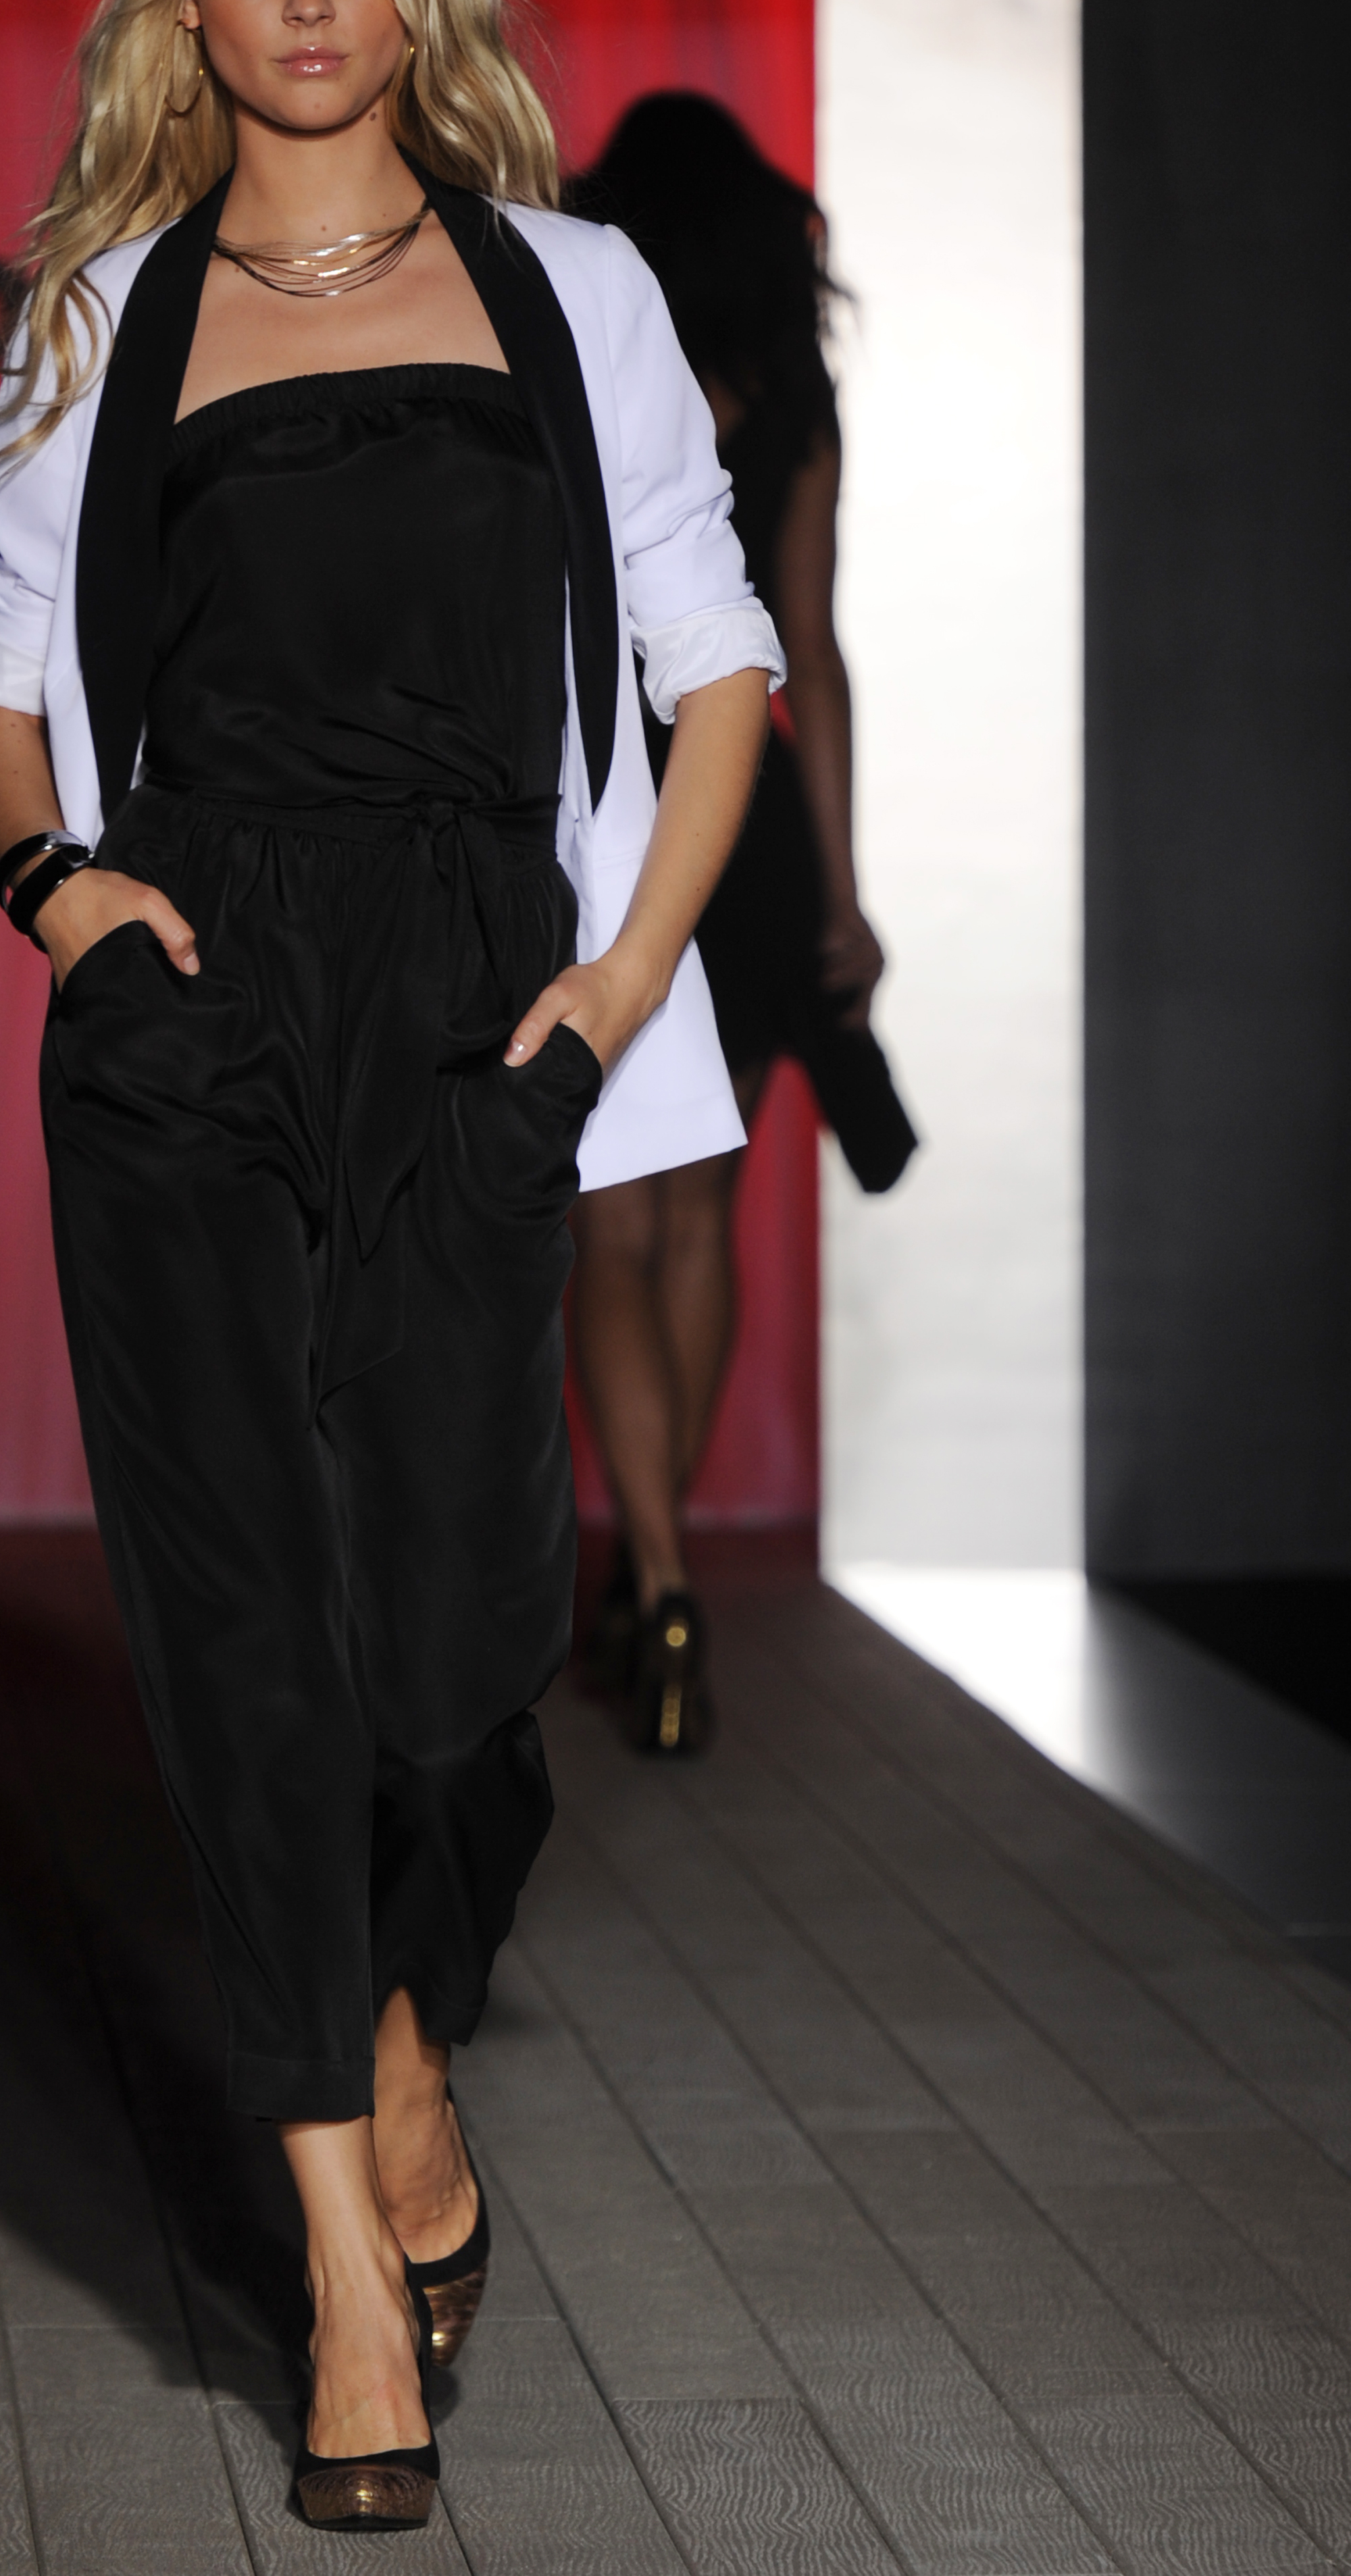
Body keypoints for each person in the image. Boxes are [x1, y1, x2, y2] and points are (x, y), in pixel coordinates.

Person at [0, 0, 781, 2532]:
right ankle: (336, 2264)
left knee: (452, 1640)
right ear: (183, 6)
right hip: (188, 1013)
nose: (304, 4)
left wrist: (614, 989)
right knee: (243, 1632)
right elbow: (3, 703)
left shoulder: (574, 287)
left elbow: (718, 668)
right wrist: (61, 896)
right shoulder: (105, 313)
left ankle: (402, 2027)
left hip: (472, 1004)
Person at [566, 94, 915, 1755]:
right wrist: (841, 893)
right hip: (749, 823)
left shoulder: (570, 341)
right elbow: (809, 653)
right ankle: (666, 1573)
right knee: (700, 1221)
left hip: (605, 815)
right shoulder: (792, 387)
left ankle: (652, 1570)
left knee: (609, 1234)